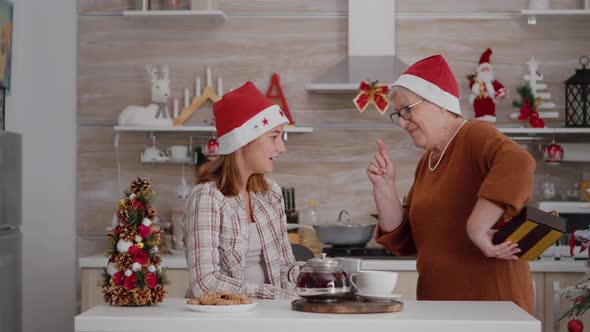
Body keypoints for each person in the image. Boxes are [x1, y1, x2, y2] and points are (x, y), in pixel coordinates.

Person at [367, 55, 536, 313]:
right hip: (441, 309)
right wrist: (384, 188)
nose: (402, 122)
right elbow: (406, 241)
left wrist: (477, 227)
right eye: (398, 114)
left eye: (407, 110)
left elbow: (518, 162)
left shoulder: (474, 135)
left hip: (492, 309)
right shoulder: (427, 163)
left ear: (440, 104)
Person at [182, 81, 298, 299]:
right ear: (243, 141)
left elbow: (285, 266)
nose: (282, 147)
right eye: (273, 137)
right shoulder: (207, 198)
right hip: (224, 320)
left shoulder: (270, 193)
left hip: (271, 316)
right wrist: (276, 295)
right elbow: (204, 283)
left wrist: (315, 276)